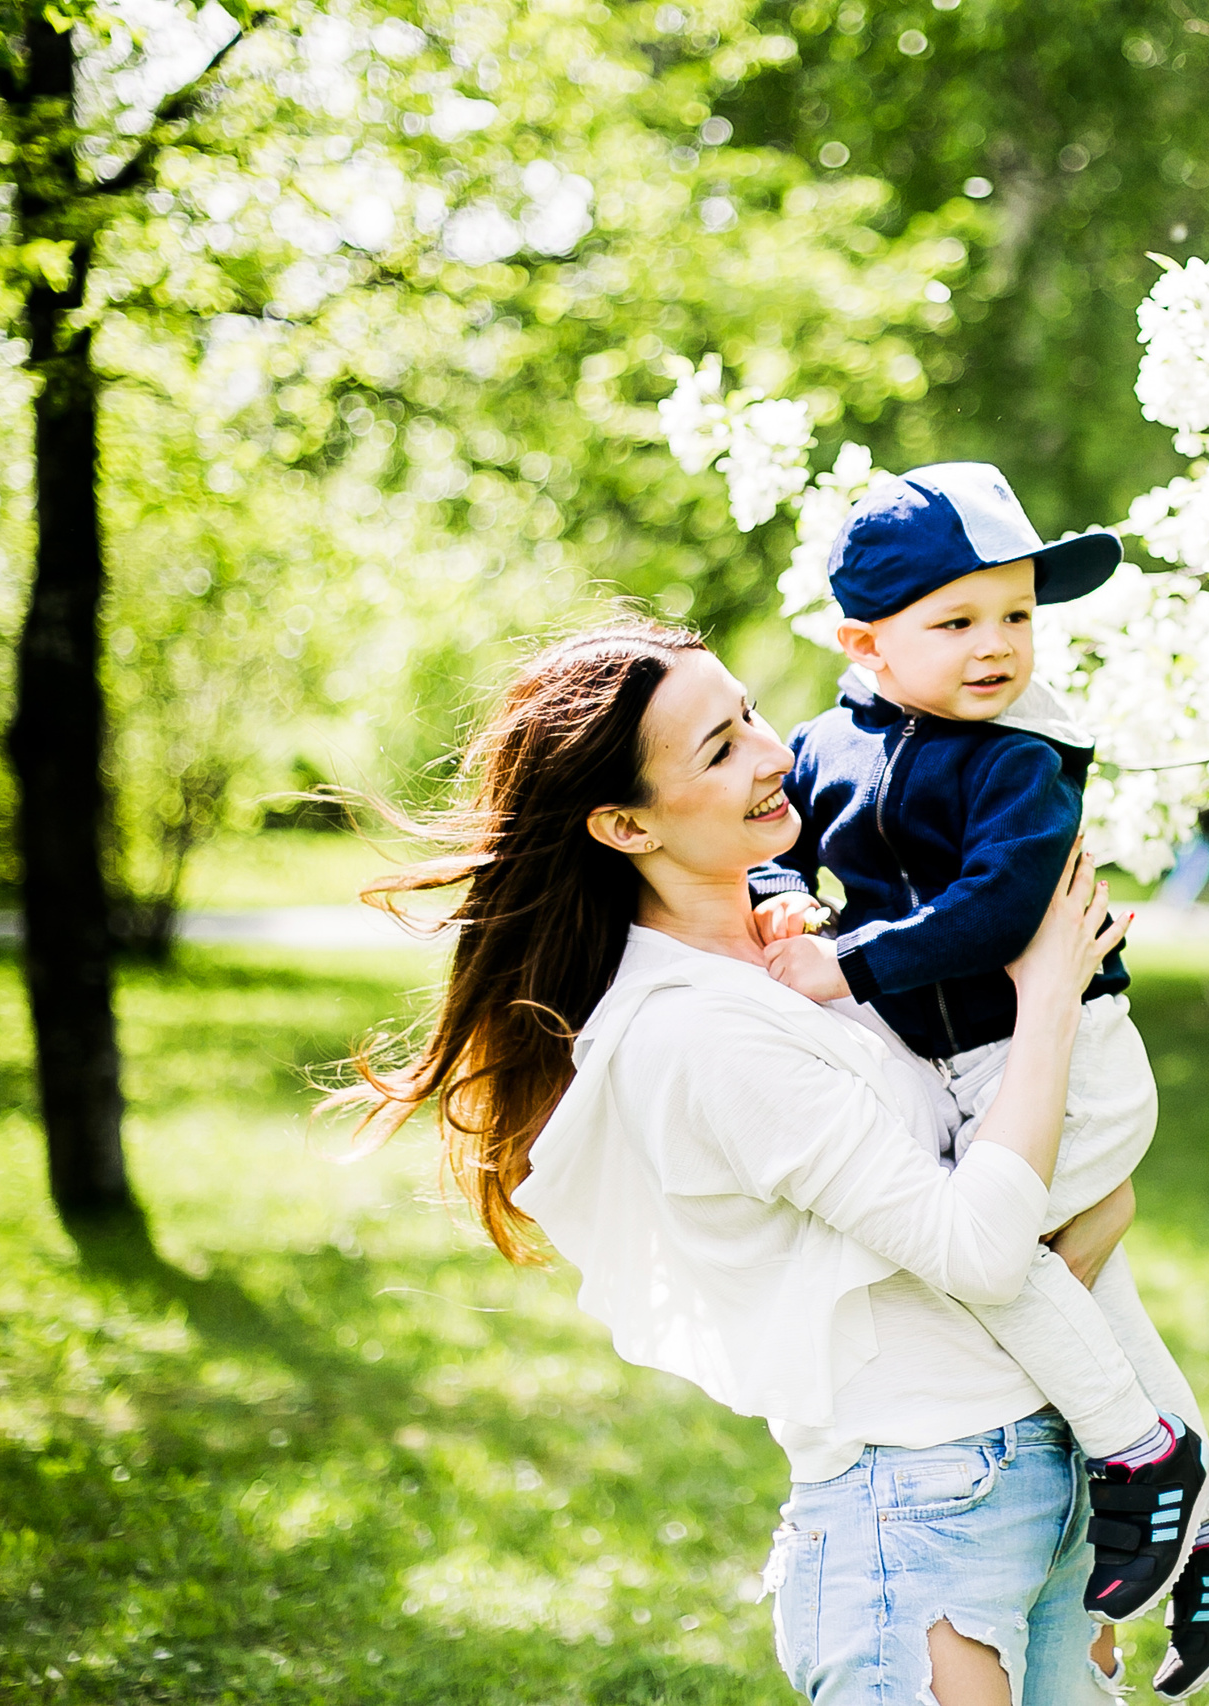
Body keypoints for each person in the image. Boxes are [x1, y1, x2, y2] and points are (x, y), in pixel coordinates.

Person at [330, 624, 1144, 1705]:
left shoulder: (794, 956)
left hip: (1030, 1468)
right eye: (717, 749)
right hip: (919, 1504)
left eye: (752, 712)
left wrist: (1104, 1184)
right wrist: (1048, 993)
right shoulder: (696, 1032)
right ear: (623, 822)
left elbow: (975, 1153)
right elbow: (981, 1246)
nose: (771, 753)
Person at [750, 463, 1209, 1697]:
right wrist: (785, 906)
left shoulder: (1020, 756)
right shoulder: (825, 745)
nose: (996, 646)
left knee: (1001, 1261)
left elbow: (998, 904)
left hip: (1072, 1059)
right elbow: (771, 849)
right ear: (863, 641)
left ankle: (1143, 1456)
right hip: (963, 1065)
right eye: (956, 621)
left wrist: (844, 966)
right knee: (1057, 1280)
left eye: (1015, 616)